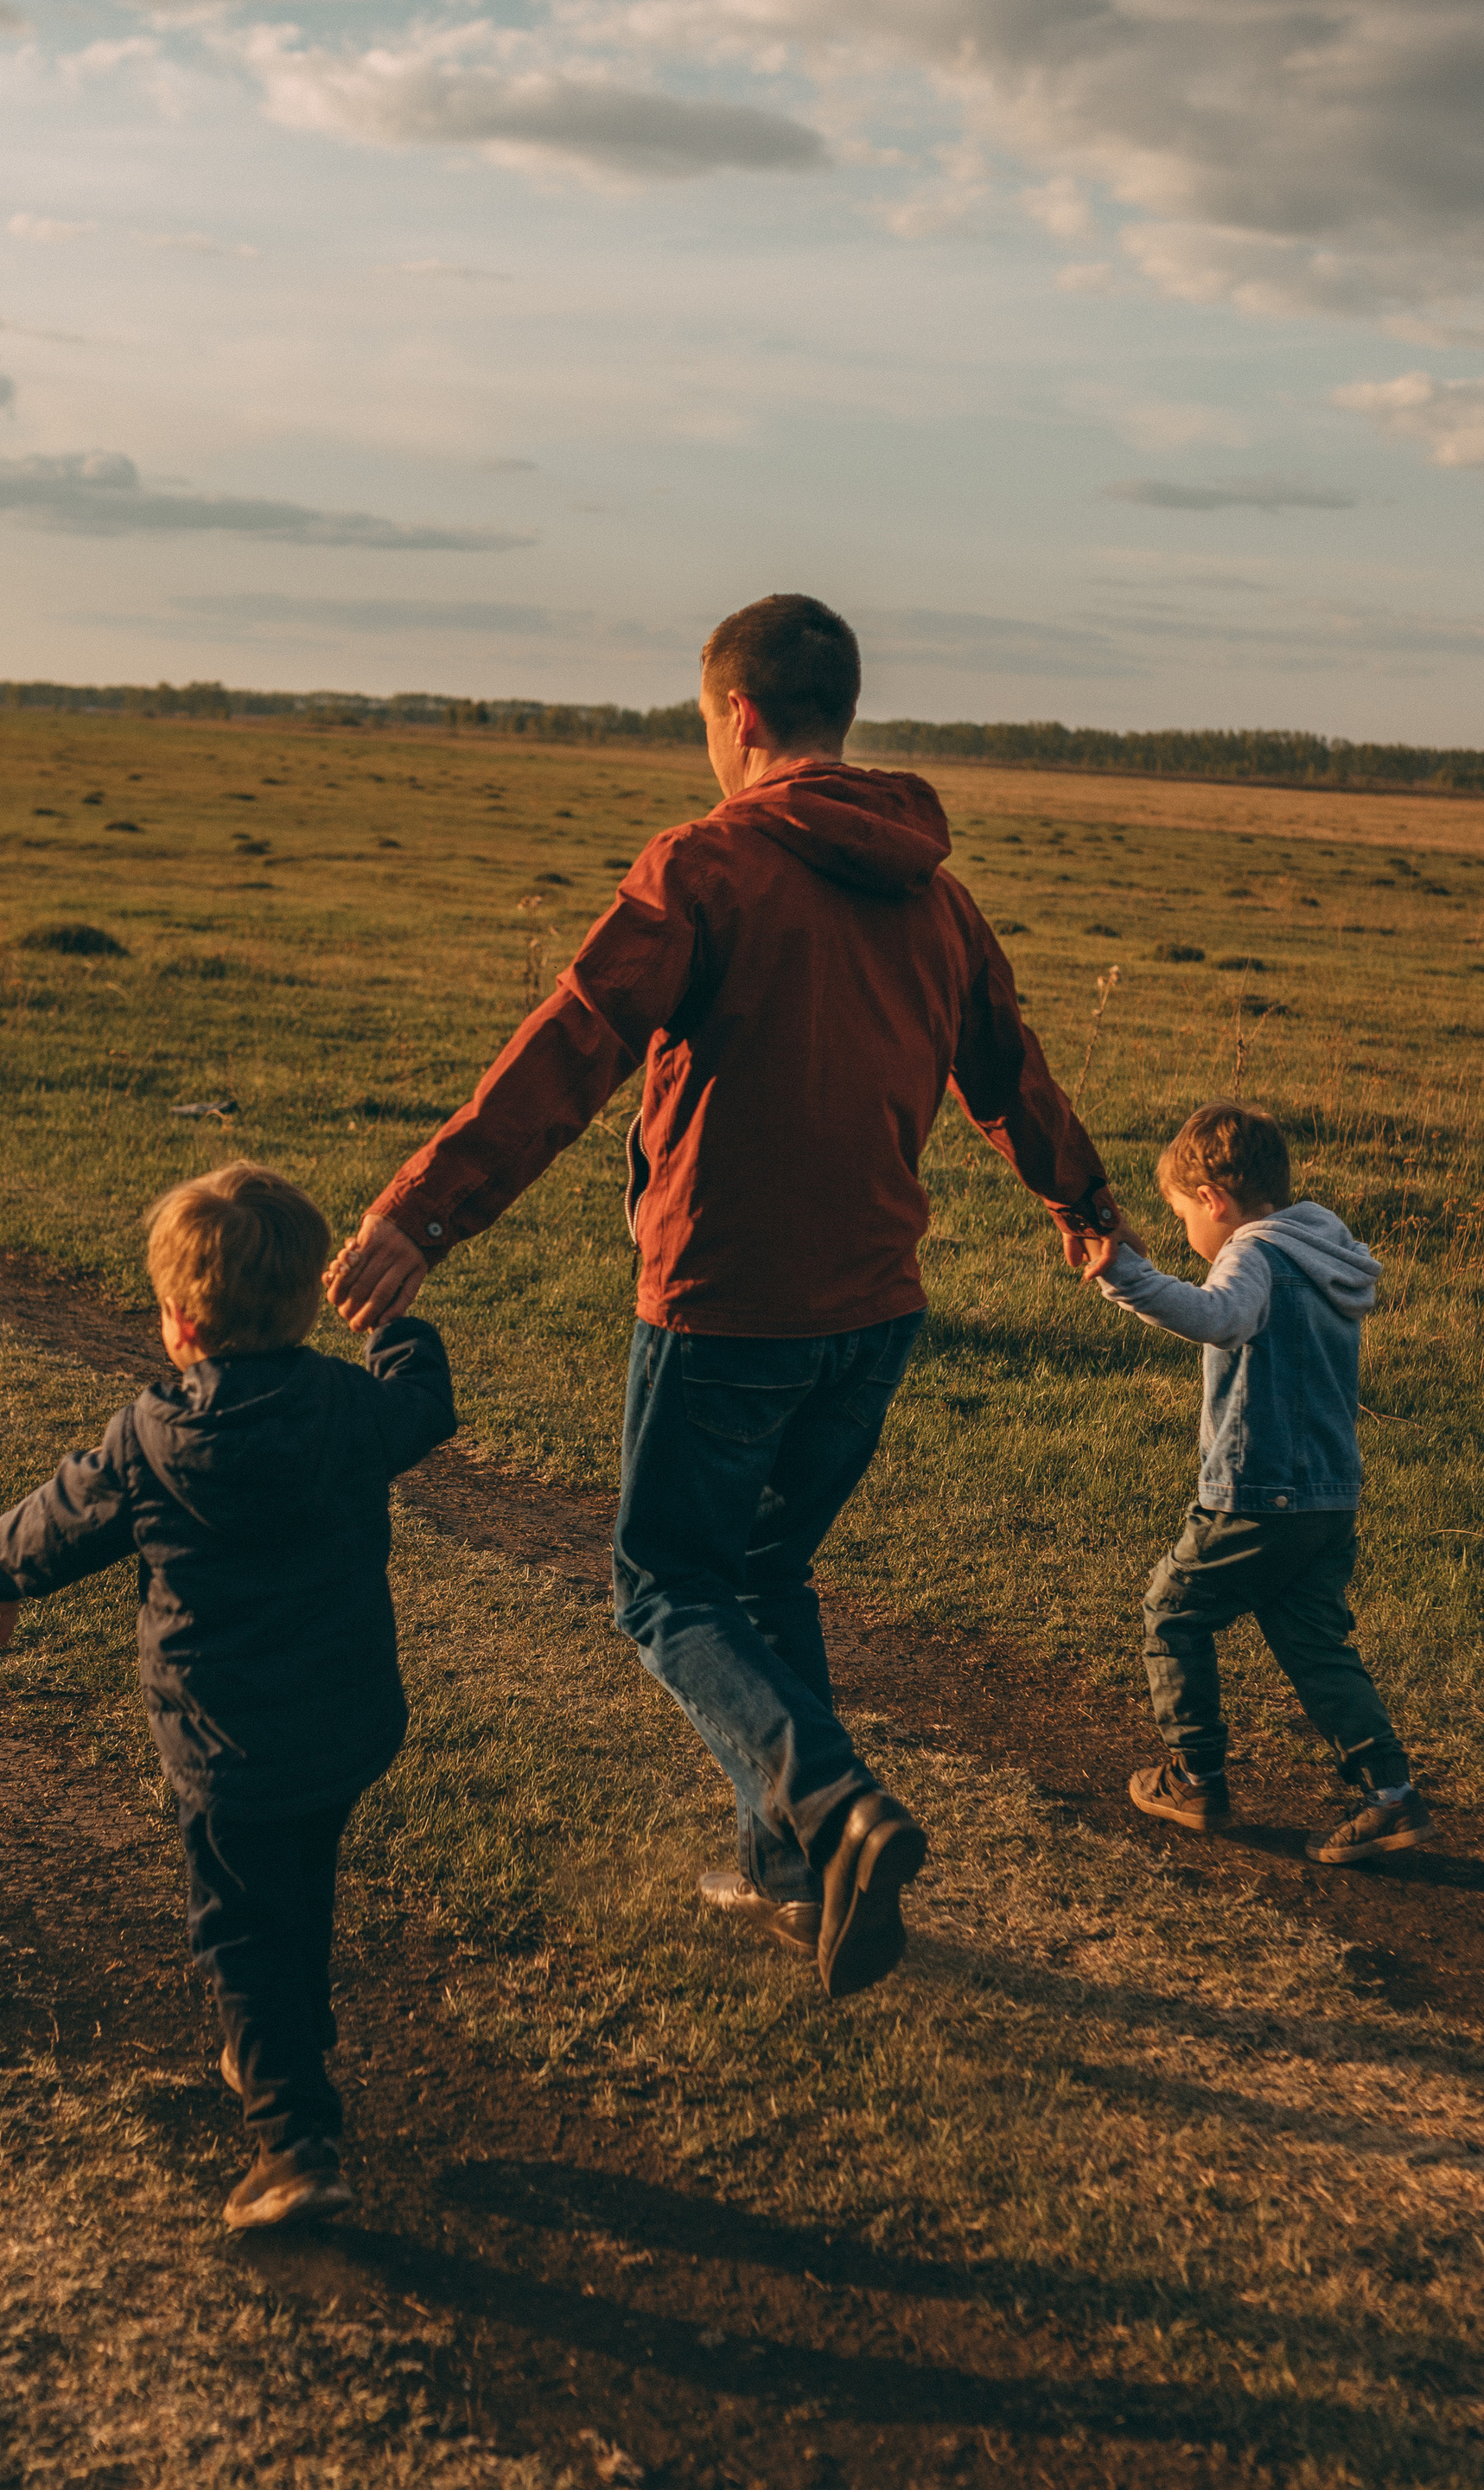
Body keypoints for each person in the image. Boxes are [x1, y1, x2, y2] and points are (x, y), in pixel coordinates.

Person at [328, 592, 1118, 1999]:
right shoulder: (935, 893)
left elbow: (577, 1040)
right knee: (763, 1572)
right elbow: (1006, 1064)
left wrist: (426, 1209)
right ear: (840, 712)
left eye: (707, 723)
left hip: (725, 1305)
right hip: (877, 1312)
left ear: (738, 715)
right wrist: (1083, 1205)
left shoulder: (708, 864)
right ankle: (792, 1873)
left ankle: (832, 1801)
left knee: (664, 1585)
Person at [0, 1161, 456, 2228]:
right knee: (297, 1887)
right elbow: (423, 1406)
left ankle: (294, 2143)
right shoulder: (347, 1407)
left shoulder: (148, 1438)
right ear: (310, 1300)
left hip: (223, 1746)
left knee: (239, 1932)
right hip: (344, 1720)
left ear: (178, 1322)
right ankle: (290, 2035)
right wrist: (398, 1325)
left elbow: (59, 1519)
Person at [1086, 1099, 1433, 1861]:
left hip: (1258, 1492)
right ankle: (1391, 1796)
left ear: (1213, 1200)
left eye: (1183, 1216)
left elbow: (1219, 1317)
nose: (1189, 1233)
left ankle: (1196, 1777)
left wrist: (1127, 1276)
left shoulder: (1253, 1252)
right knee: (1314, 1643)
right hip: (1329, 1496)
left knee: (1173, 1611)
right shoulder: (1323, 1249)